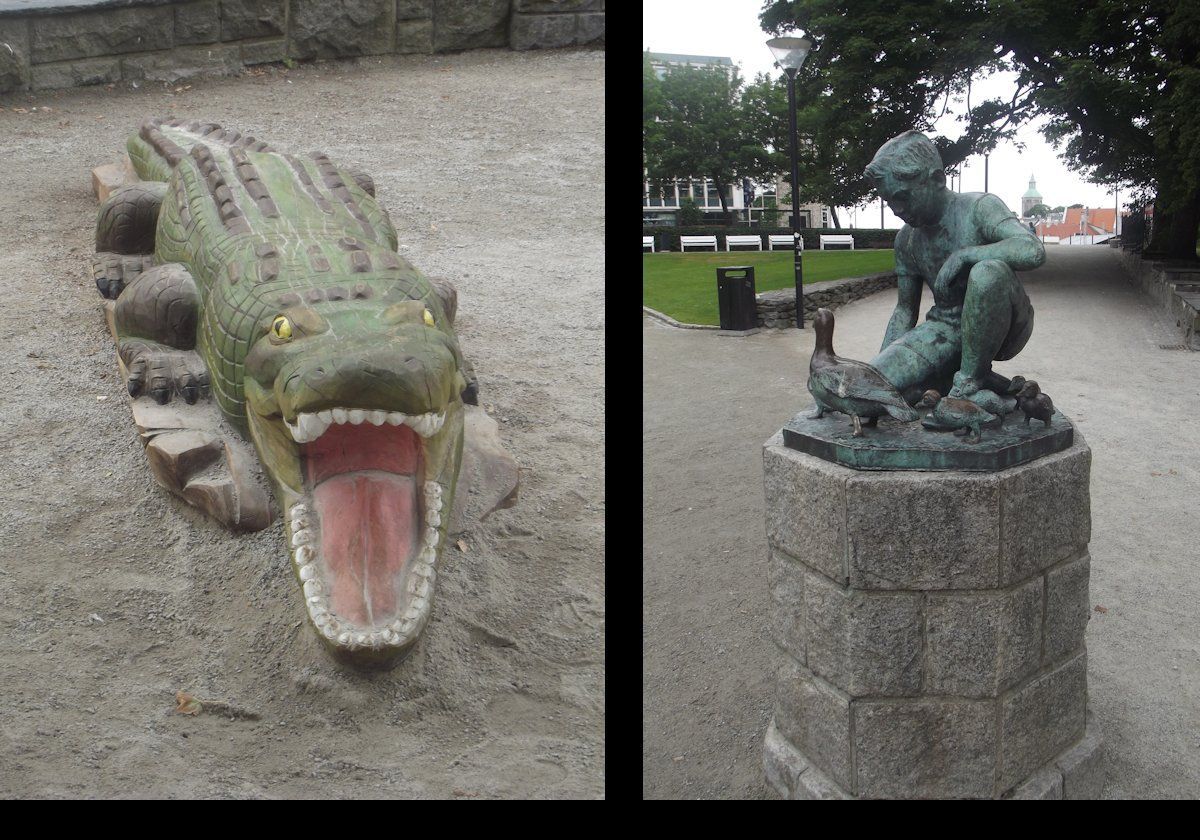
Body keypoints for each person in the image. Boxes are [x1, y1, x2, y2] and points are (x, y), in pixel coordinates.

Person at [864, 131, 1045, 407]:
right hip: (944, 330)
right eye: (889, 201)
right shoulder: (906, 239)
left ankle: (969, 385)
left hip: (1006, 326)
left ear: (936, 179)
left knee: (987, 272)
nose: (897, 209)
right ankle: (964, 379)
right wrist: (877, 372)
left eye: (902, 197)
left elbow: (1032, 249)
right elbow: (904, 311)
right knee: (871, 391)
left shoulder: (979, 208)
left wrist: (967, 256)